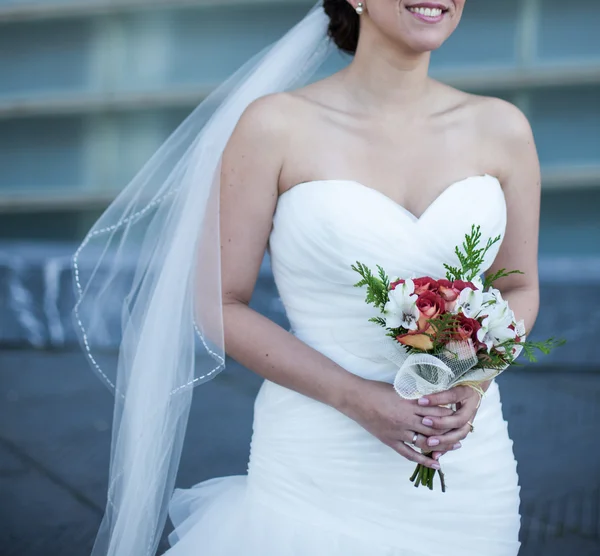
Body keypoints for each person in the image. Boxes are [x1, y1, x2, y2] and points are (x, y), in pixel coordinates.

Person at [75, 1, 540, 555]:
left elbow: (518, 287)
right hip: (319, 458)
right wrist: (357, 398)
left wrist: (475, 380)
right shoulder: (274, 125)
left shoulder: (503, 127)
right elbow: (220, 303)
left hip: (466, 464)